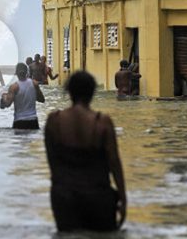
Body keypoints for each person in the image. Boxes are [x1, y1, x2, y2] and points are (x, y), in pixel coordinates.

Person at [45, 71, 126, 232]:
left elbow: (53, 163)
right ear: (92, 92)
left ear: (69, 91)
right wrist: (123, 199)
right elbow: (114, 163)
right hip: (98, 196)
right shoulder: (102, 122)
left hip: (64, 197)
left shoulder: (54, 121)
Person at [1, 63, 45, 129]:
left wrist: (3, 97)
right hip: (33, 120)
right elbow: (42, 99)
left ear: (16, 73)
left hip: (19, 121)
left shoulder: (14, 87)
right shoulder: (34, 83)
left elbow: (7, 104)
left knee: (19, 139)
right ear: (27, 72)